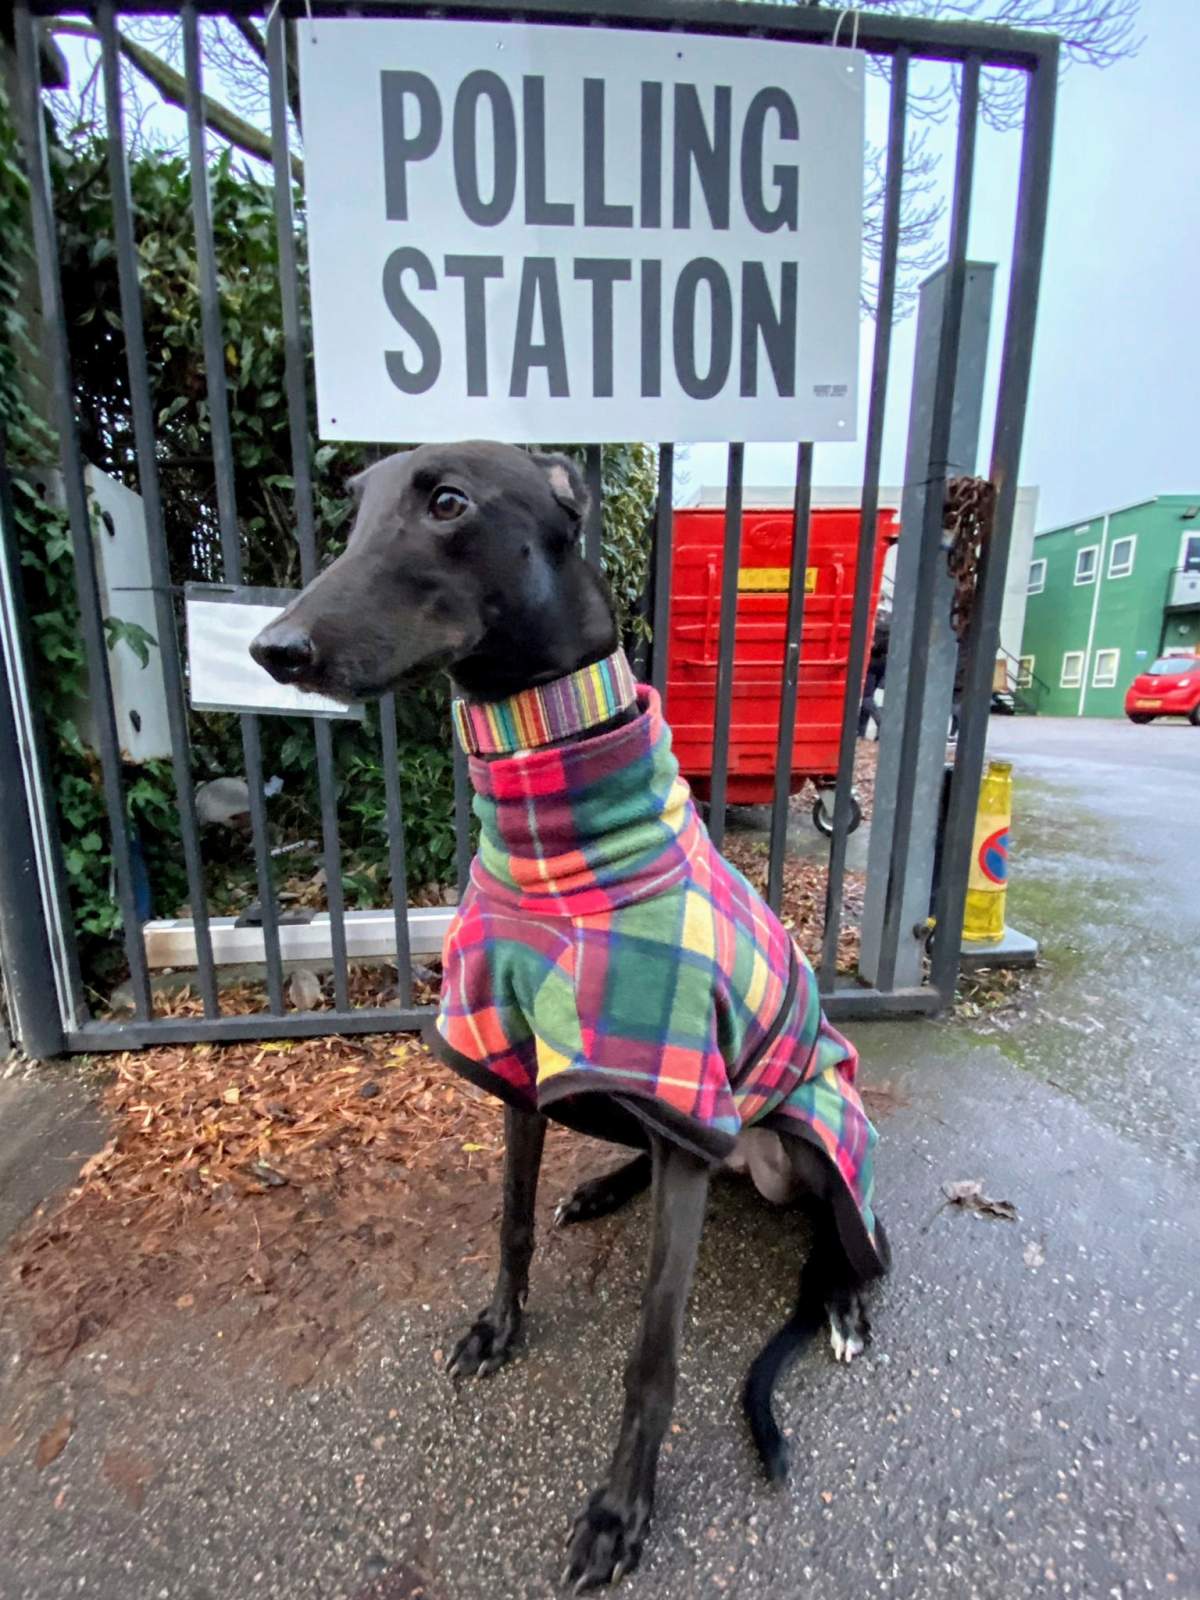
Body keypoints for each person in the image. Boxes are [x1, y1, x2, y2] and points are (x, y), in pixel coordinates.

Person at [858, 612, 890, 738]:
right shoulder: (887, 626)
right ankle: (860, 732)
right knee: (869, 696)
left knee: (866, 697)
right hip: (882, 664)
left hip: (870, 663)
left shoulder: (872, 627)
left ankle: (880, 722)